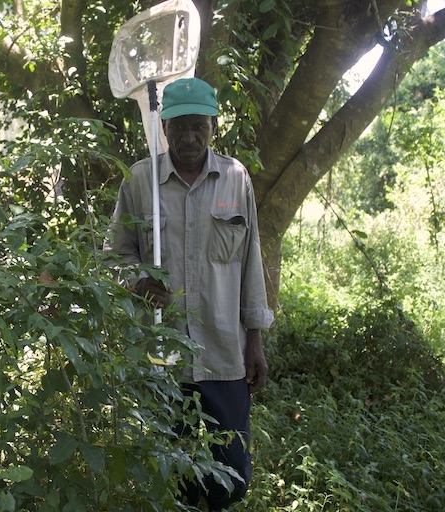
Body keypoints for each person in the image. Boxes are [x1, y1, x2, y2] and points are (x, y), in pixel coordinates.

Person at [105, 77, 275, 510]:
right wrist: (138, 282)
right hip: (162, 358)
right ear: (163, 128)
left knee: (232, 476)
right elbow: (113, 255)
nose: (189, 137)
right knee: (168, 473)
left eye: (199, 126)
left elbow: (250, 260)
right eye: (178, 127)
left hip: (223, 352)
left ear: (214, 125)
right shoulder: (141, 182)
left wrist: (254, 339)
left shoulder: (236, 179)